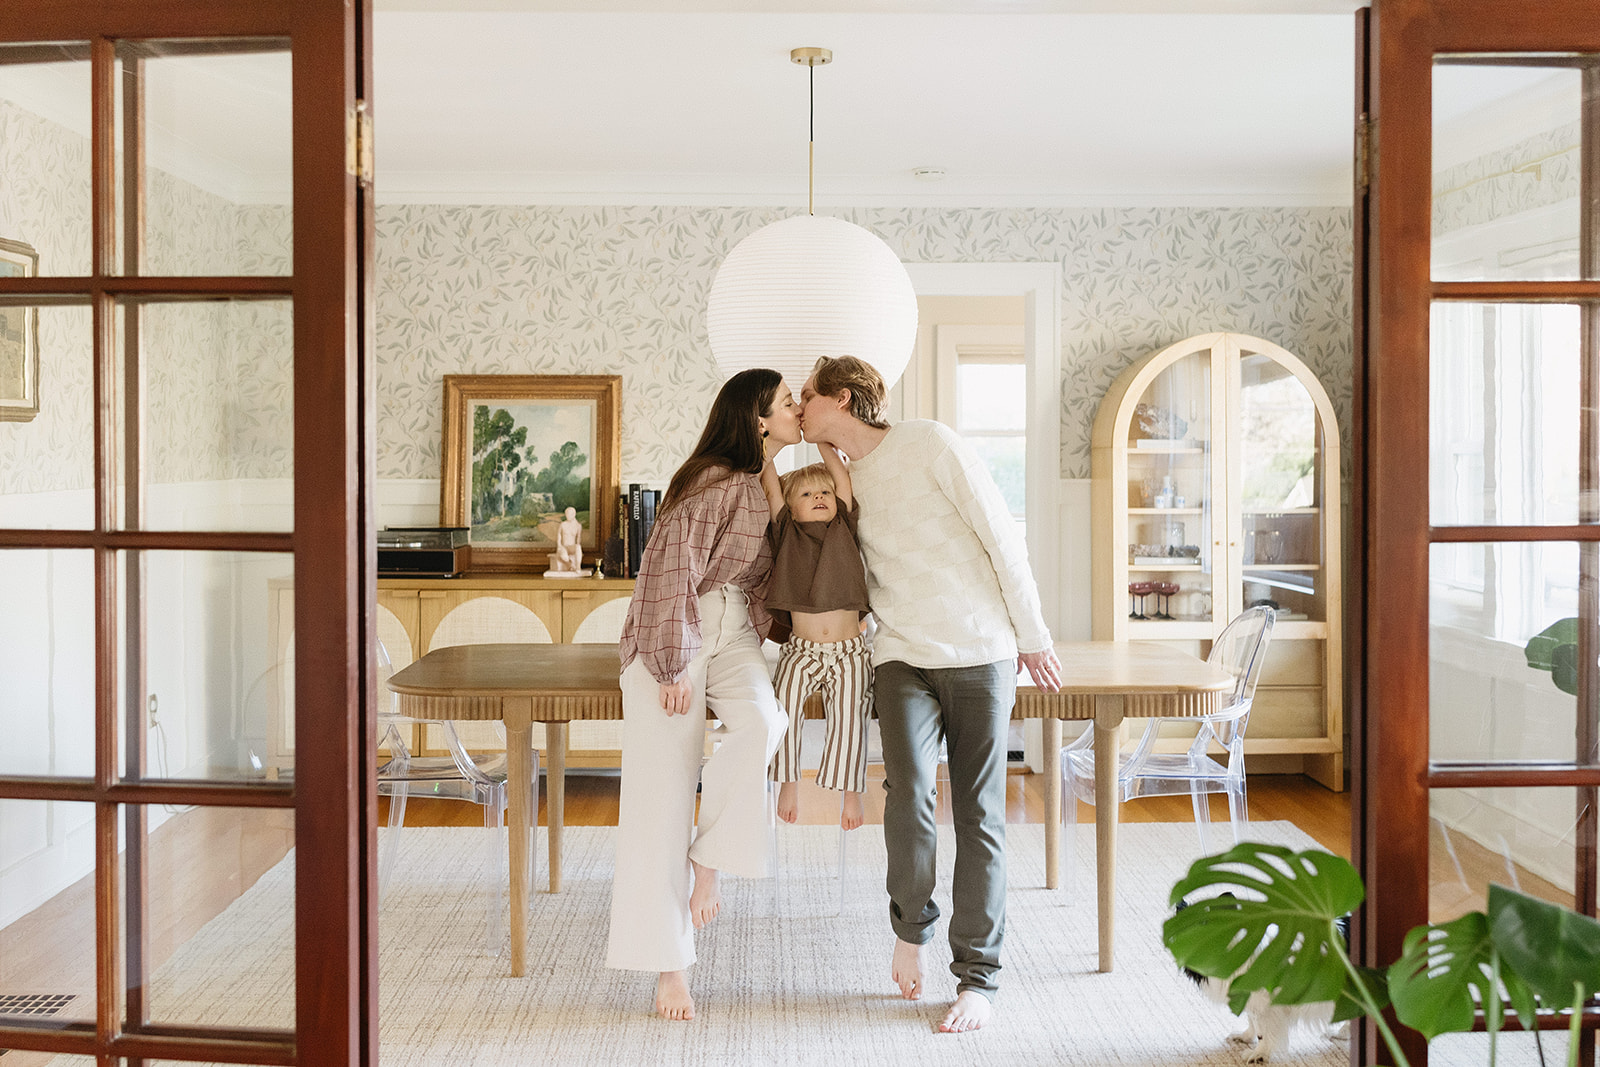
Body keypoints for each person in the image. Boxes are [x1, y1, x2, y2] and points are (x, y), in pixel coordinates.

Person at [797, 354, 1064, 1034]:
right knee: (909, 790)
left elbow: (1002, 537)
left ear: (846, 397)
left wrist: (1033, 635)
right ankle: (911, 927)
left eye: (808, 394)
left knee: (979, 812)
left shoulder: (931, 442)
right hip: (902, 656)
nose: (799, 404)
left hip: (980, 650)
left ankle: (978, 978)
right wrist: (825, 445)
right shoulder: (844, 480)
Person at [606, 367, 801, 1021]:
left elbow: (775, 573)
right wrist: (671, 664)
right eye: (787, 401)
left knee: (763, 722)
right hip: (678, 629)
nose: (797, 407)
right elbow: (669, 568)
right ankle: (671, 969)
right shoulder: (712, 480)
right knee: (660, 799)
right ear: (758, 417)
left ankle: (709, 857)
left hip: (735, 630)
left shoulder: (761, 482)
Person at [760, 447, 873, 831]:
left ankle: (851, 793)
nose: (819, 498)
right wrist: (768, 451)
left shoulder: (845, 525)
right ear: (791, 509)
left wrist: (824, 443)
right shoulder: (785, 531)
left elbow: (842, 480)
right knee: (784, 710)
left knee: (850, 716)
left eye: (823, 492)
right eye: (806, 495)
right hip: (801, 651)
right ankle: (789, 783)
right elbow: (772, 487)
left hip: (850, 652)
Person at [551, 505, 583, 572]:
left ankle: (578, 567)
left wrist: (578, 547)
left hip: (572, 547)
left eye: (569, 514)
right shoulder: (563, 524)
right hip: (564, 546)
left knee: (578, 547)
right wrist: (559, 546)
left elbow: (578, 538)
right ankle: (571, 565)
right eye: (566, 514)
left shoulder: (578, 526)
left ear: (573, 514)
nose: (567, 516)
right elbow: (559, 536)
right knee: (564, 556)